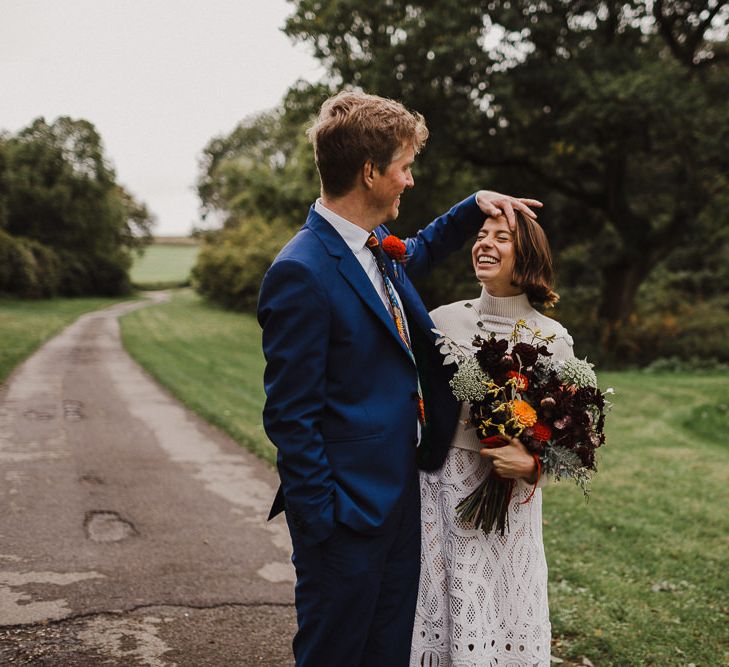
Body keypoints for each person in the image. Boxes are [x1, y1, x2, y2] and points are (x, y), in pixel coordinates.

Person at [257, 90, 541, 667]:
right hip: (345, 516)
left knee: (389, 653)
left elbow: (422, 248)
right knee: (336, 654)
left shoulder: (376, 251)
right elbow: (291, 416)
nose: (409, 181)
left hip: (402, 503)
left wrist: (472, 207)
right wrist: (323, 526)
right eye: (404, 168)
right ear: (370, 172)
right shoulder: (300, 272)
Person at [410, 212, 574, 667]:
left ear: (527, 257)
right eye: (481, 235)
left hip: (512, 504)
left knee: (503, 607)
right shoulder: (442, 322)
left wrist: (532, 465)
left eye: (502, 238)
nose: (485, 243)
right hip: (445, 488)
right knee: (450, 599)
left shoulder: (554, 338)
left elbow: (568, 435)